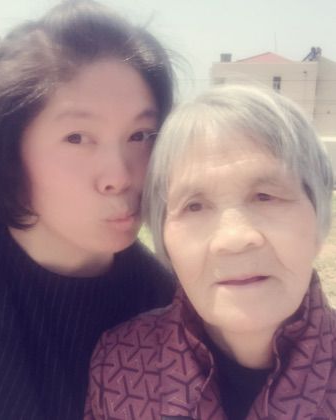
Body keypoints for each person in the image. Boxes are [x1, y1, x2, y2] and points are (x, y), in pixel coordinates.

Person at [0, 1, 176, 419]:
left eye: (141, 135)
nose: (120, 176)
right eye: (77, 137)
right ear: (10, 147)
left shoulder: (160, 305)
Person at [85, 84, 336, 419]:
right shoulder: (119, 363)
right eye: (195, 206)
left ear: (318, 218)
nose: (233, 238)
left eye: (266, 196)